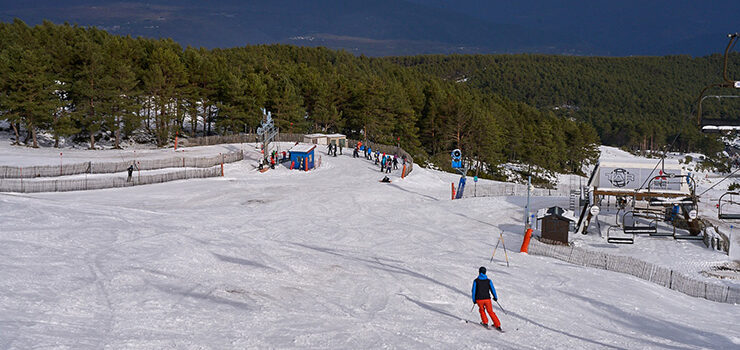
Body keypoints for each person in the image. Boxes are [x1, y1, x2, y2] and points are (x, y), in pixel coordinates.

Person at [472, 266, 501, 330]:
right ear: (485, 272)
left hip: (479, 299)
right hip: (487, 299)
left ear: (479, 272)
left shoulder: (476, 281)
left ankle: (485, 322)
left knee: (482, 310)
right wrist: (495, 297)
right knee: (490, 311)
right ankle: (497, 324)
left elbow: (473, 291)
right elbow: (492, 289)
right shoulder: (488, 281)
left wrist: (474, 300)